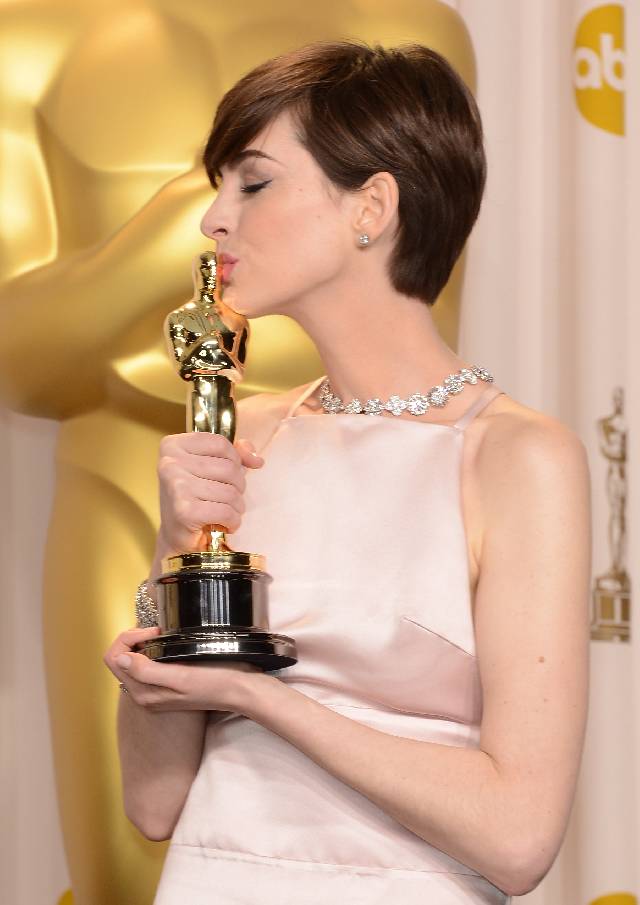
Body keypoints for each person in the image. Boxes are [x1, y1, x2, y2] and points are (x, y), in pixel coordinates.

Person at [104, 42, 591, 904]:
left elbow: (520, 839)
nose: (214, 221)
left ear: (371, 206)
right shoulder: (245, 434)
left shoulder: (517, 456)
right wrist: (170, 560)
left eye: (252, 183)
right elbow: (152, 801)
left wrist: (265, 702)